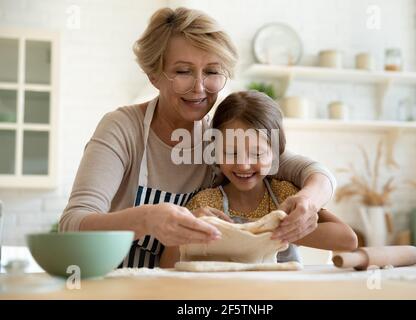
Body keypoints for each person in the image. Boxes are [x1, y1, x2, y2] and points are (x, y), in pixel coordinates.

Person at [59, 7, 337, 268]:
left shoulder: (222, 139)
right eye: (183, 71)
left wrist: (308, 201)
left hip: (182, 290)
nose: (200, 87)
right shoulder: (122, 128)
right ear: (154, 75)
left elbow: (314, 172)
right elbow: (72, 226)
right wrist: (147, 219)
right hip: (118, 283)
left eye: (212, 72)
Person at [159, 91, 357, 267]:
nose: (244, 165)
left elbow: (348, 240)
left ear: (276, 153)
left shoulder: (285, 196)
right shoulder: (207, 203)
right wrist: (188, 226)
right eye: (230, 153)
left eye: (257, 154)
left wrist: (283, 231)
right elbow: (167, 267)